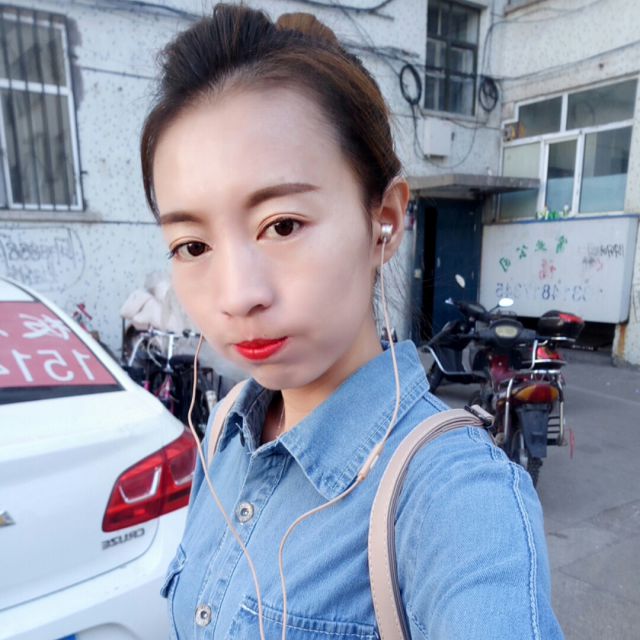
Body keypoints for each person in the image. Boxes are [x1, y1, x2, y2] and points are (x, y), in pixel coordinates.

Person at [140, 4, 564, 639]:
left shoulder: (455, 498)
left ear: (384, 221)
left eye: (282, 225)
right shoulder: (227, 427)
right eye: (193, 245)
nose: (237, 295)